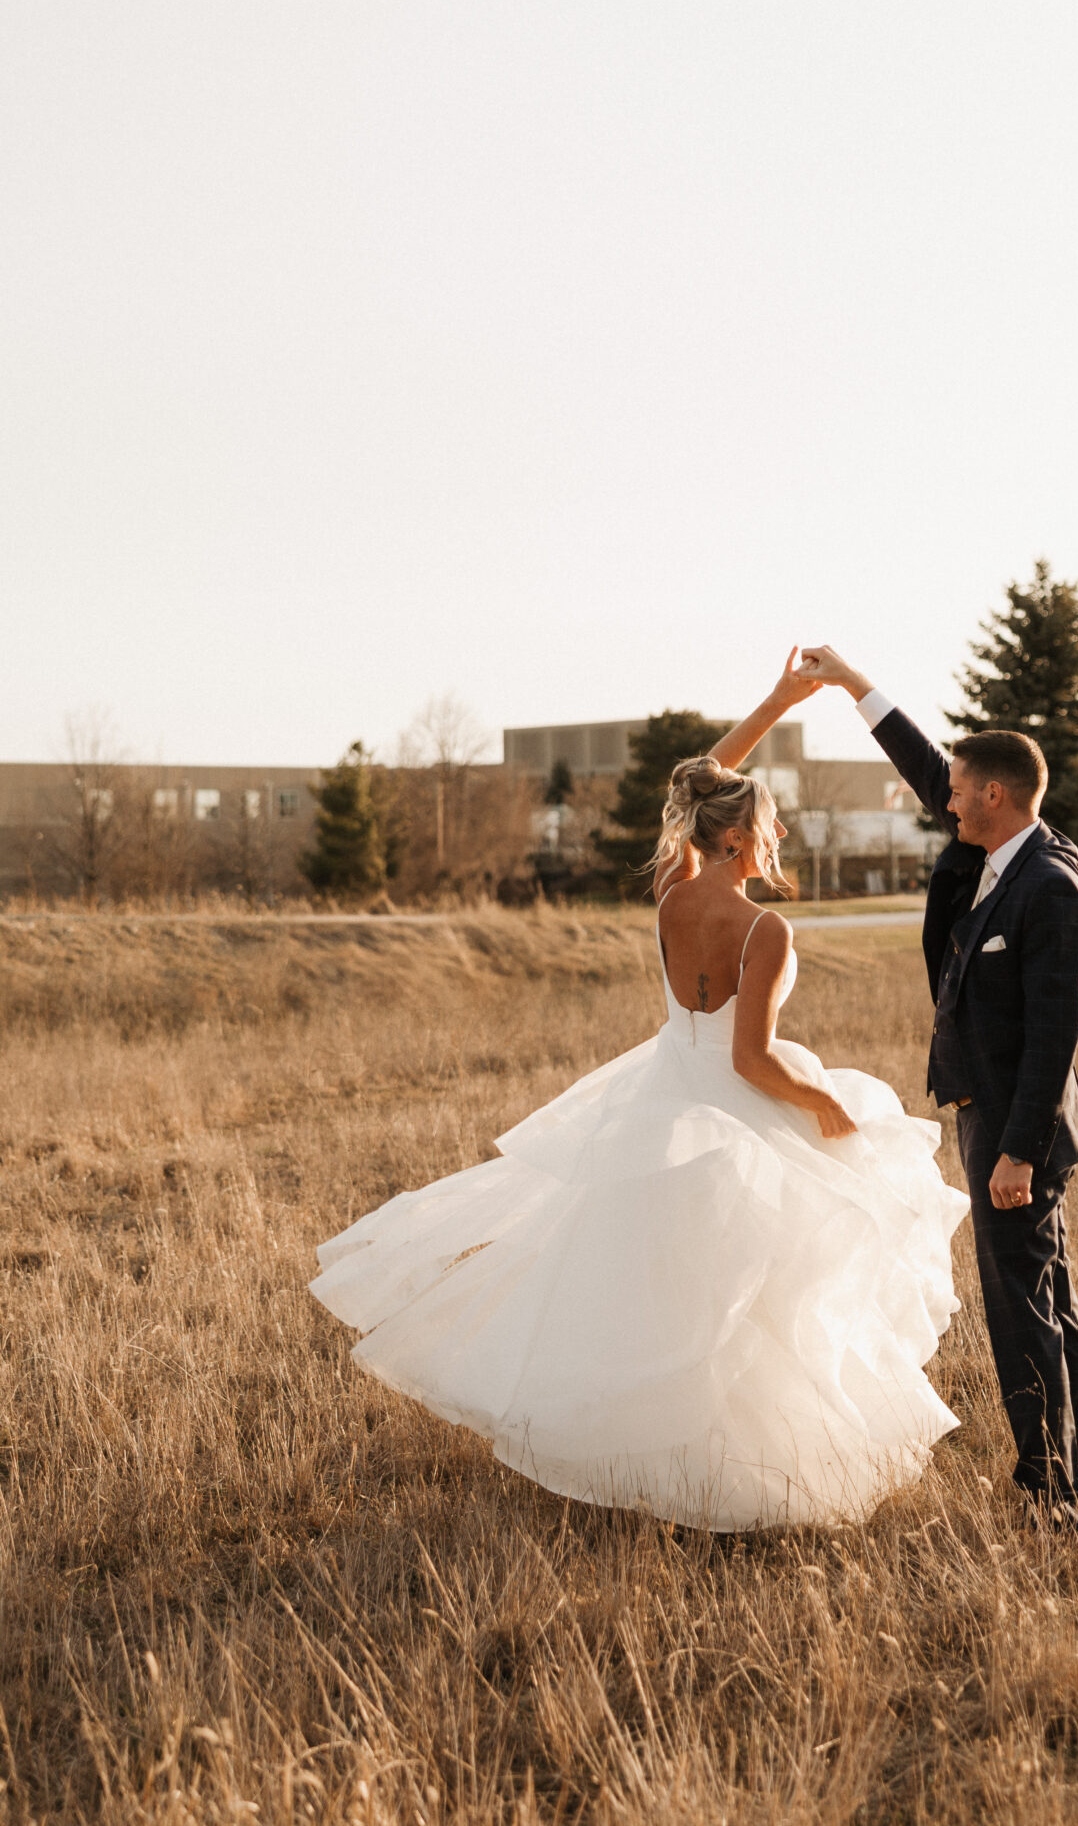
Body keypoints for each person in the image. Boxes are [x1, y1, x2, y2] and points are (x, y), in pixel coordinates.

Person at [311, 651, 968, 1531]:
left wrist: (777, 701)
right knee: (755, 1297)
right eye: (766, 826)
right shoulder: (764, 930)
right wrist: (823, 1107)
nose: (775, 837)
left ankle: (661, 1469)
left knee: (665, 1294)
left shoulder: (671, 894)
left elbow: (697, 784)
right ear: (735, 838)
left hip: (661, 1101)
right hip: (733, 1108)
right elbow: (752, 1062)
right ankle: (746, 1477)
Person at [797, 647, 1078, 1519]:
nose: (947, 799)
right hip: (987, 1114)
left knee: (1020, 1309)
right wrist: (855, 686)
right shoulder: (993, 852)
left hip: (1017, 1128)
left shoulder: (1049, 886)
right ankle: (1069, 1474)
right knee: (1047, 1296)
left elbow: (1055, 1037)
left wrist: (1016, 1154)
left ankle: (1051, 1492)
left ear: (996, 796)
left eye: (962, 790)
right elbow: (933, 769)